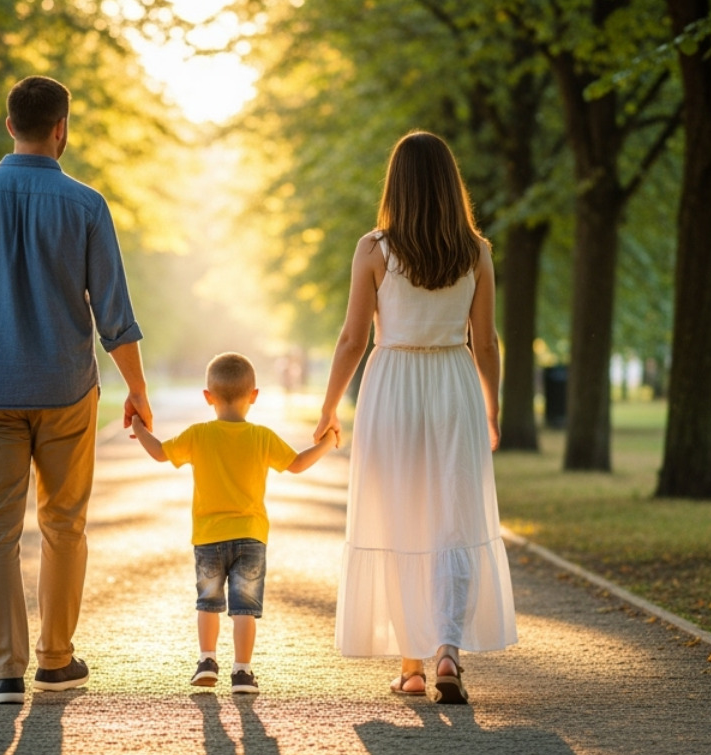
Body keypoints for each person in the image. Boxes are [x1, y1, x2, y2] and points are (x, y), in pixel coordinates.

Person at [0, 75, 153, 705]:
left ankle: (5, 672)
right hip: (66, 390)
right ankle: (55, 659)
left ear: (8, 126)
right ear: (61, 128)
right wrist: (137, 390)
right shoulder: (86, 204)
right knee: (64, 525)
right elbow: (115, 316)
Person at [314, 131, 517, 704]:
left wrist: (328, 407)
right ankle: (447, 649)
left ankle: (411, 667)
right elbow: (487, 342)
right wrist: (492, 404)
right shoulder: (475, 251)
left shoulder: (374, 249)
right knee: (452, 518)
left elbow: (354, 338)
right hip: (453, 382)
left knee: (401, 517)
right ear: (452, 185)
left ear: (395, 184)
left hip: (393, 385)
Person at [129, 352, 338, 694]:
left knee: (208, 603)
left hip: (209, 537)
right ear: (253, 395)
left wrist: (138, 425)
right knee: (245, 609)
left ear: (207, 397)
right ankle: (242, 672)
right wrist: (328, 441)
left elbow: (159, 452)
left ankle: (207, 661)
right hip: (252, 537)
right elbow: (297, 464)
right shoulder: (261, 436)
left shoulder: (198, 434)